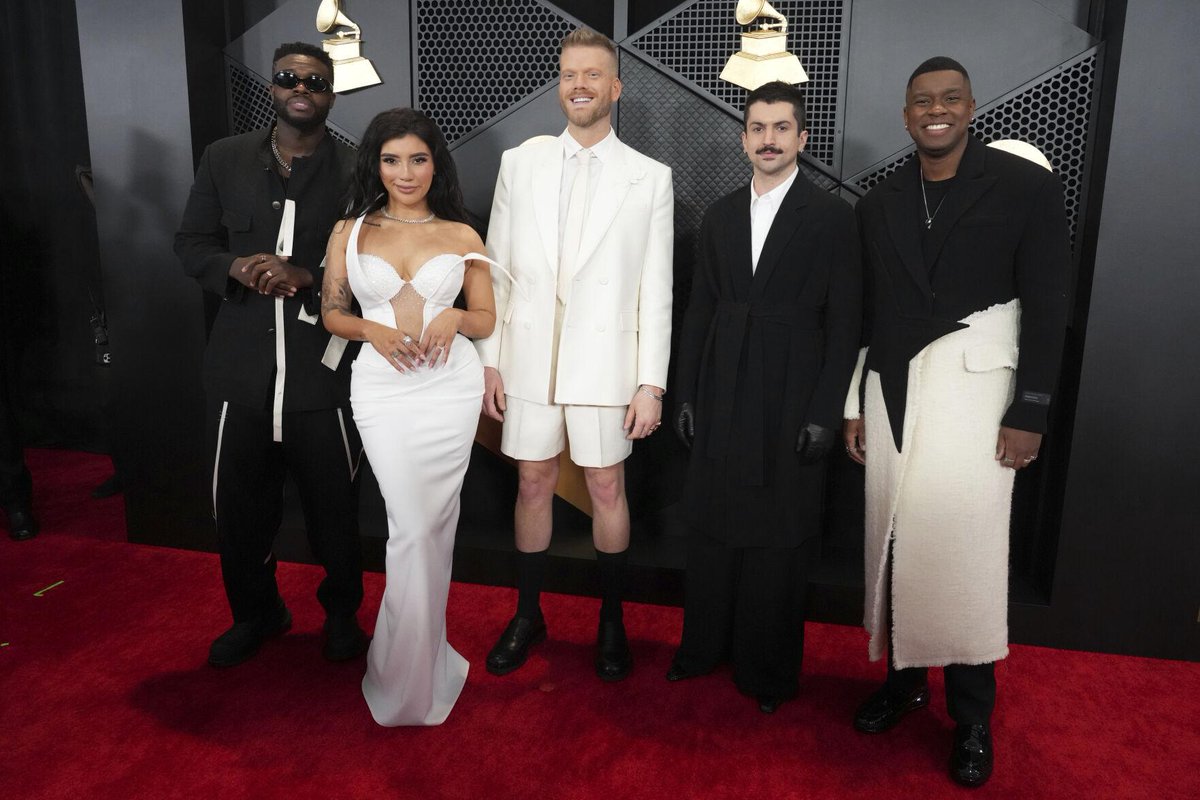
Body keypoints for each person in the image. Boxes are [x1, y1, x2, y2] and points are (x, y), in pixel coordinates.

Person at [843, 57, 1070, 787]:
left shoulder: (1025, 188)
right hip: (894, 392)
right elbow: (866, 314)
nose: (935, 111)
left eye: (948, 99)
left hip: (977, 401)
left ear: (970, 107)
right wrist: (853, 401)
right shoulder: (878, 202)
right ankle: (905, 682)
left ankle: (972, 718)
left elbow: (1049, 306)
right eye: (921, 102)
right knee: (897, 542)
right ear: (906, 115)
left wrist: (1030, 409)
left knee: (966, 556)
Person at [477, 28, 674, 682]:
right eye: (569, 74)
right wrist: (489, 359)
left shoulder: (650, 178)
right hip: (529, 361)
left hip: (607, 367)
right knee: (532, 480)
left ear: (616, 87)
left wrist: (652, 383)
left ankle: (610, 619)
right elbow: (495, 270)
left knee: (605, 485)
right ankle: (528, 613)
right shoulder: (520, 162)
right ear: (559, 84)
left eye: (593, 74)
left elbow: (657, 290)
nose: (580, 84)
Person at [174, 41, 367, 668]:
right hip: (240, 371)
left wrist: (307, 274)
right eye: (288, 78)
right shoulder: (224, 159)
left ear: (330, 93)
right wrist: (237, 267)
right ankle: (258, 613)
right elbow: (192, 242)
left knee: (335, 511)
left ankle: (341, 615)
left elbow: (379, 260)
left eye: (314, 79)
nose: (300, 87)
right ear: (274, 88)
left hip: (324, 371)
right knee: (238, 511)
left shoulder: (358, 169)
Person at [671, 81, 861, 713]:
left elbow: (845, 324)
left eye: (782, 128)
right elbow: (699, 309)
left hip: (793, 392)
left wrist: (825, 412)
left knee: (779, 533)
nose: (769, 139)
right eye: (757, 127)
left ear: (802, 140)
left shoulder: (833, 217)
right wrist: (687, 393)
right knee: (714, 523)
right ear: (744, 137)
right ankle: (703, 648)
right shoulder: (719, 214)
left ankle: (767, 670)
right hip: (722, 383)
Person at [322, 108, 502, 726]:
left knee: (430, 529)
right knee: (411, 528)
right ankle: (402, 668)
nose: (406, 172)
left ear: (436, 164)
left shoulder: (461, 235)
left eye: (418, 159)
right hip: (381, 390)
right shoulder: (350, 230)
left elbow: (485, 318)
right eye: (393, 159)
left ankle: (417, 667)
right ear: (375, 162)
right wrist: (372, 329)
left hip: (448, 390)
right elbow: (332, 316)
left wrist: (454, 318)